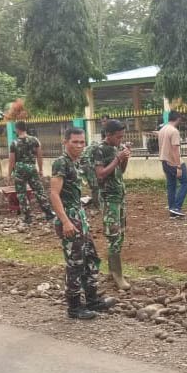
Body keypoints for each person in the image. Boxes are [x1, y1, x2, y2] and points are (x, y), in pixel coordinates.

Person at [49, 127, 110, 319]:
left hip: (79, 217)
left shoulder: (77, 163)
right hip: (69, 218)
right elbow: (54, 194)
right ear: (65, 142)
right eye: (75, 142)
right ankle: (74, 307)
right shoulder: (61, 163)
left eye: (82, 142)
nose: (79, 145)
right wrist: (65, 221)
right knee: (75, 263)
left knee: (91, 258)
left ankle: (92, 300)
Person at [92, 119, 132, 291]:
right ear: (108, 135)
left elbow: (119, 172)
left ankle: (113, 271)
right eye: (118, 137)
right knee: (113, 235)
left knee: (121, 234)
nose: (120, 140)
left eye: (122, 137)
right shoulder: (98, 150)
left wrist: (125, 158)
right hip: (109, 199)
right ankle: (117, 275)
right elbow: (100, 174)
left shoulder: (116, 148)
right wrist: (117, 158)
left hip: (119, 197)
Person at [7, 122, 54, 224]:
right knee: (39, 191)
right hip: (32, 167)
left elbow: (11, 160)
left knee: (21, 193)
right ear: (25, 128)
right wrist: (41, 169)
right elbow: (39, 155)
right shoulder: (35, 140)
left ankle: (27, 217)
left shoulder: (14, 143)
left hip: (19, 169)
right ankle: (49, 214)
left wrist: (9, 174)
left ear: (17, 129)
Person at [158, 110, 187, 218]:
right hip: (173, 162)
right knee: (186, 183)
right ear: (178, 119)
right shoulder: (174, 131)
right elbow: (175, 149)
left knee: (171, 186)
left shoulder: (162, 129)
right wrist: (178, 166)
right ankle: (176, 207)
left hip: (164, 161)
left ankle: (173, 210)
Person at [80, 115, 109, 208]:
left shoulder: (100, 144)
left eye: (105, 121)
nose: (103, 123)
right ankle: (98, 205)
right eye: (102, 121)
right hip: (86, 164)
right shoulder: (100, 146)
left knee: (97, 184)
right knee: (95, 186)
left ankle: (99, 202)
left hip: (86, 163)